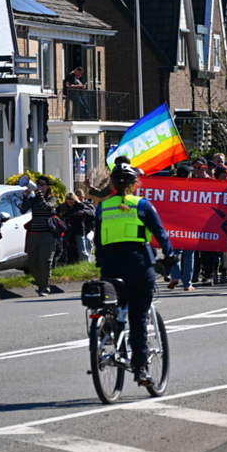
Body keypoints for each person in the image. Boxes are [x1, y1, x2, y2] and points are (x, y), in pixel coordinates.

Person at [95, 164, 177, 387]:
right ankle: (140, 368)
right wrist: (169, 257)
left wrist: (100, 262)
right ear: (134, 185)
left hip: (111, 265)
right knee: (139, 316)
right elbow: (161, 234)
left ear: (111, 185)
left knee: (114, 307)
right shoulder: (141, 205)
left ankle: (111, 336)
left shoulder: (102, 208)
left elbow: (97, 241)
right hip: (138, 263)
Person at [20, 176, 59, 295]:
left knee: (45, 262)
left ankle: (44, 288)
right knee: (32, 264)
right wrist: (25, 197)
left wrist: (39, 194)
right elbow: (23, 210)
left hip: (47, 236)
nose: (39, 186)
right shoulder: (35, 199)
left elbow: (46, 206)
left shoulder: (52, 199)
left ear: (47, 186)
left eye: (42, 184)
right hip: (33, 235)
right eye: (38, 184)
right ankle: (40, 282)